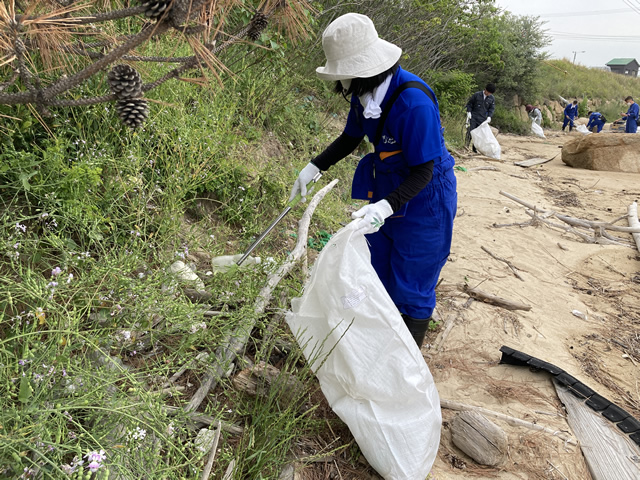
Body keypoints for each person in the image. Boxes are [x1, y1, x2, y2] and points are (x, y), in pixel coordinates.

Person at [289, 13, 457, 348]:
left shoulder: (413, 104)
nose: (343, 84)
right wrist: (314, 166)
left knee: (412, 282)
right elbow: (350, 138)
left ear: (364, 69)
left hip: (425, 200)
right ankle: (378, 348)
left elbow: (423, 171)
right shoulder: (364, 95)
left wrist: (386, 205)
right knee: (377, 271)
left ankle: (406, 364)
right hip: (387, 188)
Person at [465, 83, 496, 152]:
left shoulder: (491, 98)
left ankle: (475, 148)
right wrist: (469, 112)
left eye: (490, 93)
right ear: (485, 89)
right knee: (470, 131)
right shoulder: (477, 95)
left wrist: (489, 117)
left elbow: (491, 108)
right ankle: (466, 146)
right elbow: (469, 104)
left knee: (479, 134)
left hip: (482, 119)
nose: (488, 94)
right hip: (473, 116)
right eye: (488, 92)